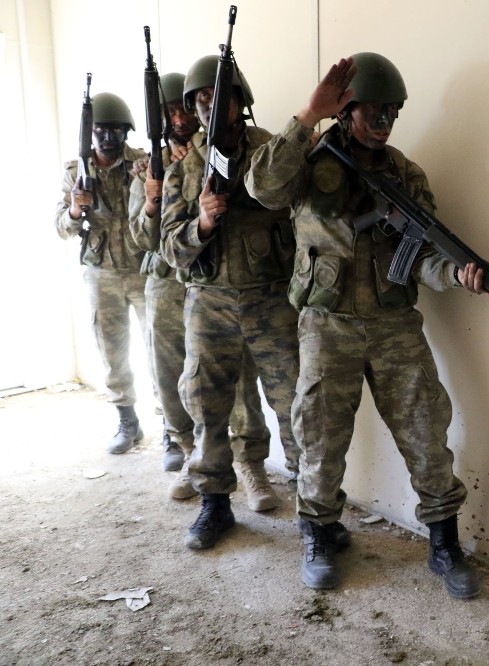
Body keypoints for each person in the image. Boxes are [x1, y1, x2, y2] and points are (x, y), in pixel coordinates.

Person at [247, 53, 489, 598]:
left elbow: (425, 257)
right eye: (373, 111)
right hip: (326, 324)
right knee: (319, 436)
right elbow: (261, 187)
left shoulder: (405, 174)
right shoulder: (308, 159)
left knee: (426, 431)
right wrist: (307, 116)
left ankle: (444, 543)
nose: (384, 122)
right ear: (347, 108)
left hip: (393, 326)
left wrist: (459, 275)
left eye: (392, 112)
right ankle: (319, 535)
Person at [160, 56, 302, 549]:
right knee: (206, 404)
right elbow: (169, 248)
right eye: (200, 99)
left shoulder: (271, 152)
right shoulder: (184, 168)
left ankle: (315, 511)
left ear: (241, 102)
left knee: (295, 403)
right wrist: (200, 224)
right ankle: (215, 504)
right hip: (210, 301)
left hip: (271, 298)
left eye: (220, 96)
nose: (209, 106)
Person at [129, 71, 279, 511]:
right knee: (181, 378)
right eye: (172, 111)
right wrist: (153, 199)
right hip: (172, 282)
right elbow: (146, 238)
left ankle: (249, 462)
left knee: (242, 379)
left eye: (186, 108)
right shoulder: (155, 165)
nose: (181, 118)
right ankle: (191, 454)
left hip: (228, 283)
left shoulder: (239, 151)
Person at [56, 91, 150, 454]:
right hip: (102, 273)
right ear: (90, 132)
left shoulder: (142, 163)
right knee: (112, 351)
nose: (108, 137)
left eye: (115, 130)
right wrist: (75, 210)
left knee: (161, 351)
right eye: (100, 130)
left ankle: (173, 428)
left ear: (126, 131)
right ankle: (127, 420)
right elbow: (60, 228)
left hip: (144, 268)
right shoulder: (75, 172)